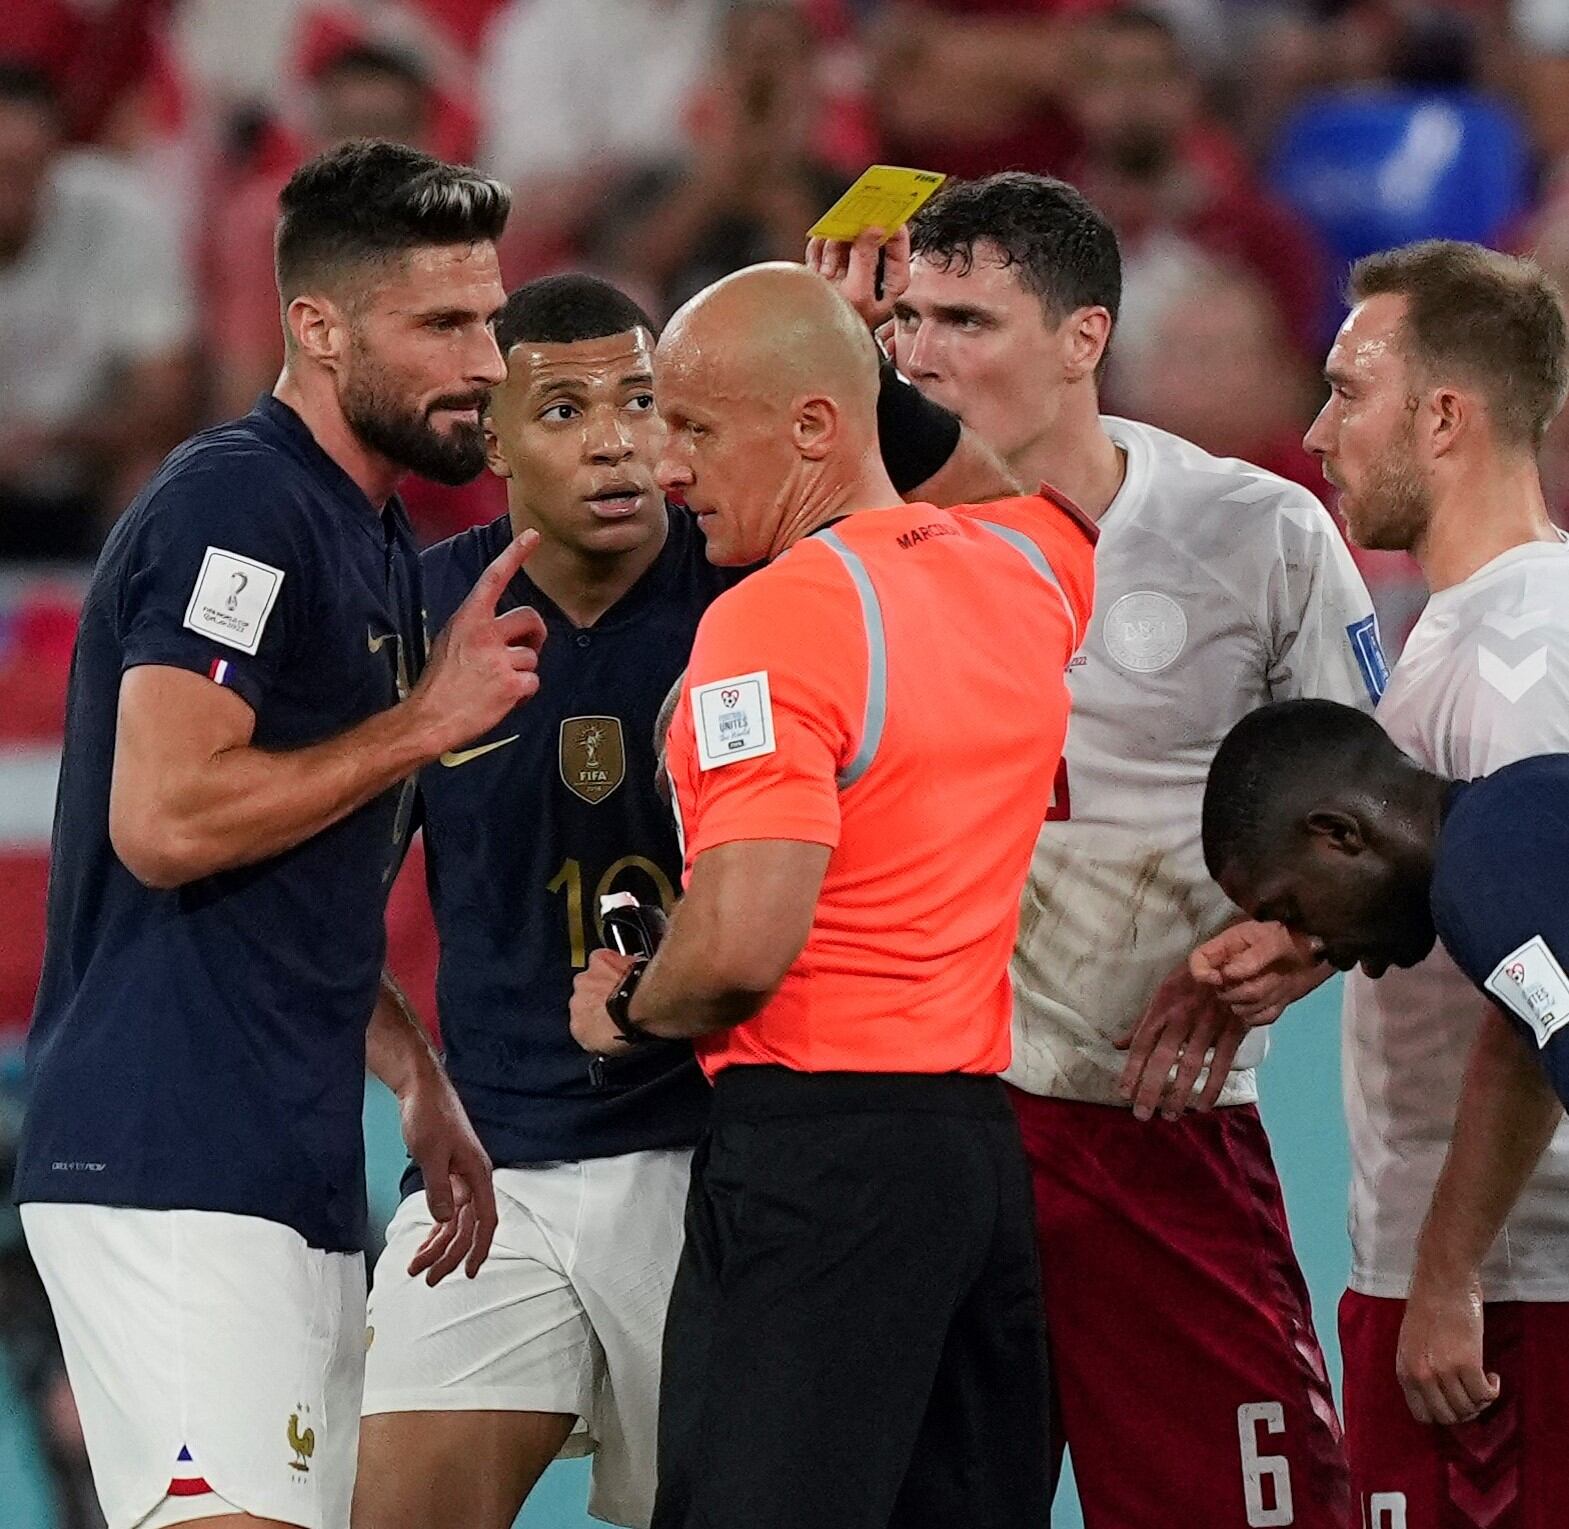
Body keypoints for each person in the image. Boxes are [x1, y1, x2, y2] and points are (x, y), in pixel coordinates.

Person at [353, 270, 1004, 1529]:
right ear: (488, 436)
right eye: (563, 410)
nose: (616, 439)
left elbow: (995, 503)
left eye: (645, 401)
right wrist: (417, 1080)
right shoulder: (422, 615)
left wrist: (836, 353)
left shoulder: (762, 586)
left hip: (719, 1165)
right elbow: (315, 909)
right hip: (502, 1179)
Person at [812, 171, 1366, 1524]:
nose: (924, 352)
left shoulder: (1257, 534)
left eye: (967, 319)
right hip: (934, 1127)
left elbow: (1375, 807)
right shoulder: (849, 543)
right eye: (909, 323)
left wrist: (1297, 937)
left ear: (1083, 338)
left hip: (1157, 1126)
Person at [13, 140, 548, 1529]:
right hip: (173, 1147)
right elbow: (171, 816)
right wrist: (421, 724)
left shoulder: (358, 532)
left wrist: (411, 1073)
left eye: (488, 316)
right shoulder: (234, 507)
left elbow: (287, 863)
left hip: (279, 1152)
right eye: (442, 322)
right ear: (317, 327)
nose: (487, 359)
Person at [568, 262, 1095, 1529]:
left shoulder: (771, 621)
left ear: (811, 427)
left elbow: (746, 943)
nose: (665, 468)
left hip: (815, 1166)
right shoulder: (1024, 574)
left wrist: (636, 1004)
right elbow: (1002, 488)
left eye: (692, 425)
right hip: (976, 1164)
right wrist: (855, 368)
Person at [1194, 239, 1569, 1526]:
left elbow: (1546, 981)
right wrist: (1306, 948)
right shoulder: (1470, 640)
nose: (1315, 430)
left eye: (1350, 391)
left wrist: (1447, 1269)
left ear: (1446, 416)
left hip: (1513, 1291)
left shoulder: (1522, 660)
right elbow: (1464, 897)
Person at [1200, 699, 1569, 1424]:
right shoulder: (1530, 810)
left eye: (1295, 910)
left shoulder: (1481, 869)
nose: (1321, 948)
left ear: (1338, 835)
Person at [0, 62, 196, 558]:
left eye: (19, 171)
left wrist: (59, 440)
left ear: (54, 159)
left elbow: (165, 400)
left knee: (157, 472)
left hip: (83, 476)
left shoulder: (120, 216)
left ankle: (118, 619)